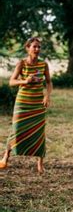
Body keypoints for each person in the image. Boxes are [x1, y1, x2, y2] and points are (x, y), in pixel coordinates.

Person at [0, 37, 52, 173]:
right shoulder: (22, 64)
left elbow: (49, 82)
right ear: (27, 48)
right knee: (16, 129)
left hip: (37, 103)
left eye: (39, 47)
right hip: (22, 102)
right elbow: (11, 82)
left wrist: (47, 95)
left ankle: (40, 164)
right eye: (34, 46)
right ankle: (5, 157)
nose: (37, 49)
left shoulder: (43, 64)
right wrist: (25, 81)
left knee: (39, 131)